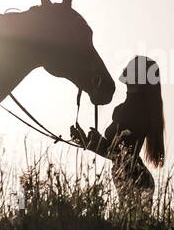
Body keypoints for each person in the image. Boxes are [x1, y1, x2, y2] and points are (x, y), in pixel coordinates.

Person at [71, 56, 165, 203]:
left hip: (134, 177)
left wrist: (90, 141)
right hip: (135, 176)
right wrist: (87, 141)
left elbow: (119, 152)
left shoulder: (135, 111)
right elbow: (116, 152)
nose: (125, 69)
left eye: (130, 68)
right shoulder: (130, 109)